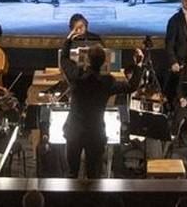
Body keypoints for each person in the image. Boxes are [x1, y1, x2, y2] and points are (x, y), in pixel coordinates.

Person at [58, 37, 143, 178]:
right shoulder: (106, 82)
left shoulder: (76, 77)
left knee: (72, 173)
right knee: (94, 175)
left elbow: (64, 60)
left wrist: (68, 40)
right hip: (95, 132)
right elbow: (131, 86)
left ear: (87, 61)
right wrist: (138, 65)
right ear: (103, 62)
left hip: (75, 131)